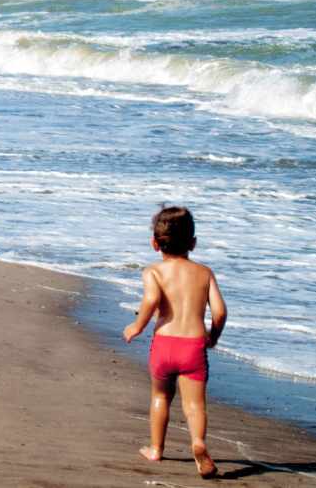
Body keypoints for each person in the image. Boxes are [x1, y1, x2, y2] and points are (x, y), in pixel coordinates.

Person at [122, 205, 227, 480]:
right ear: (193, 242)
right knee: (195, 405)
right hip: (193, 345)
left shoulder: (153, 272)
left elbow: (151, 300)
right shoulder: (204, 273)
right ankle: (199, 443)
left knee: (160, 397)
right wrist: (213, 337)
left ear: (154, 243)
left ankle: (156, 448)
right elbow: (219, 312)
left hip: (165, 343)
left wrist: (137, 326)